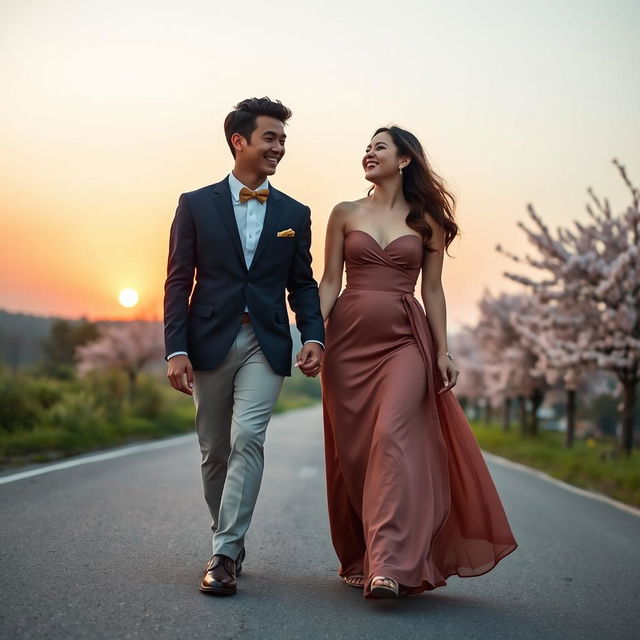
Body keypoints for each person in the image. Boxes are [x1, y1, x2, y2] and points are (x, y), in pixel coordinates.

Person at [319, 125, 516, 598]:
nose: (368, 153)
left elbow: (432, 290)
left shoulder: (428, 221)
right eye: (366, 147)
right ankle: (367, 549)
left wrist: (443, 351)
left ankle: (388, 565)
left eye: (379, 147)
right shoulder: (344, 213)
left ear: (404, 160)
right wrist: (311, 337)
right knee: (358, 453)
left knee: (391, 438)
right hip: (346, 345)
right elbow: (328, 281)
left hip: (406, 341)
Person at [164, 97, 324, 596]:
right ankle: (227, 536)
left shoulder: (295, 212)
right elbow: (177, 281)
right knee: (214, 449)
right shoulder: (195, 203)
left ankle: (225, 553)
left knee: (249, 438)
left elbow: (303, 283)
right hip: (208, 338)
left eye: (282, 140)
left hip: (267, 341)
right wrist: (175, 348)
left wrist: (314, 334)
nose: (279, 148)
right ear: (240, 141)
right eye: (270, 138)